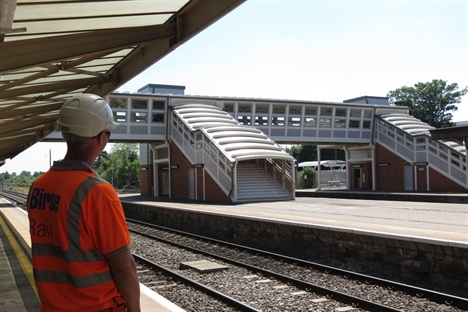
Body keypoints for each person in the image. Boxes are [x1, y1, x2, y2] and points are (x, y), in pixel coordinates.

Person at [27, 93, 141, 312]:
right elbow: (124, 268)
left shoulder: (38, 187)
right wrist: (135, 308)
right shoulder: (98, 192)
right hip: (96, 307)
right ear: (101, 138)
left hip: (51, 307)